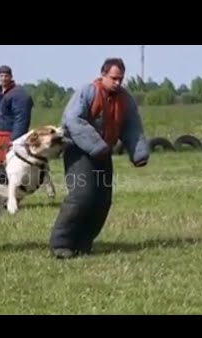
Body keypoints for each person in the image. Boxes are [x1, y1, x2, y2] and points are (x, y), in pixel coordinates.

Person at [49, 58, 150, 259]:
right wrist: (96, 144)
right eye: (114, 78)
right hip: (79, 152)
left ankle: (83, 243)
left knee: (102, 201)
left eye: (121, 79)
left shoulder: (124, 98)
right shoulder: (87, 92)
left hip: (103, 154)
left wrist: (139, 152)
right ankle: (61, 243)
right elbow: (72, 120)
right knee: (82, 196)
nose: (118, 82)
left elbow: (132, 125)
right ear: (103, 75)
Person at [0, 65, 34, 170]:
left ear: (11, 77)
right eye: (1, 76)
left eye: (6, 76)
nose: (3, 78)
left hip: (8, 135)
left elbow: (21, 118)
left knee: (6, 168)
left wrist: (15, 139)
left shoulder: (19, 95)